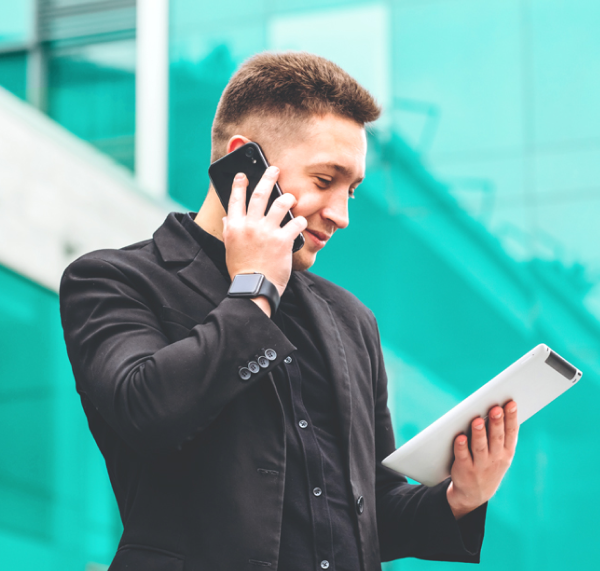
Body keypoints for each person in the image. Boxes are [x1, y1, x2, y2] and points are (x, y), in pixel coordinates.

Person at [59, 52, 518, 571]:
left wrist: (460, 496)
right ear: (242, 163)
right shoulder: (112, 280)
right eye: (325, 181)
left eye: (352, 190)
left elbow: (370, 512)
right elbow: (146, 413)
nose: (342, 215)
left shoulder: (351, 319)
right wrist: (255, 288)